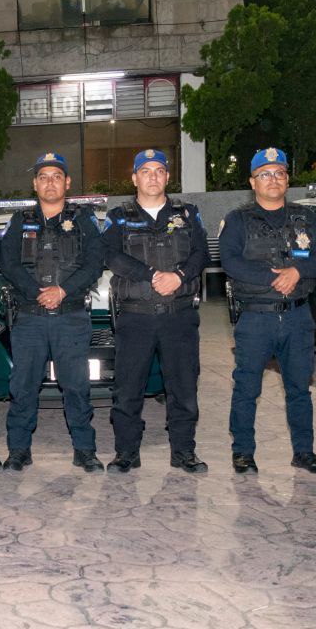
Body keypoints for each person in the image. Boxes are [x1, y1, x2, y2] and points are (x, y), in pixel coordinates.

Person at [220, 147, 316, 474]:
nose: (273, 179)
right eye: (265, 174)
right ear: (252, 182)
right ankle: (243, 452)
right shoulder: (238, 220)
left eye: (279, 173)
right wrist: (274, 279)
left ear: (287, 179)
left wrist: (297, 272)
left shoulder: (306, 217)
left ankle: (304, 452)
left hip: (298, 316)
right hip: (256, 317)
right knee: (247, 387)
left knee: (299, 388)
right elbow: (230, 261)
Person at [101, 149, 209, 474]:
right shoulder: (119, 216)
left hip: (179, 314)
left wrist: (178, 276)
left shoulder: (187, 213)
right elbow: (110, 255)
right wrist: (151, 276)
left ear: (167, 177)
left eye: (159, 170)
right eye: (145, 171)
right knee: (127, 389)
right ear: (134, 178)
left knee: (183, 387)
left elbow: (201, 253)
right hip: (136, 316)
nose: (152, 176)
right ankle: (126, 453)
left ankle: (184, 452)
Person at [0, 153, 105, 472]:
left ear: (67, 183)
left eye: (56, 177)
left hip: (71, 317)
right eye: (43, 177)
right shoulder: (20, 220)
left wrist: (63, 290)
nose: (50, 182)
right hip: (30, 317)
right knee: (23, 387)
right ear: (35, 184)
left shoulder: (84, 220)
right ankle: (18, 449)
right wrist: (38, 292)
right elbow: (9, 264)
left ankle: (84, 449)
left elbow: (94, 263)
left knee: (76, 387)